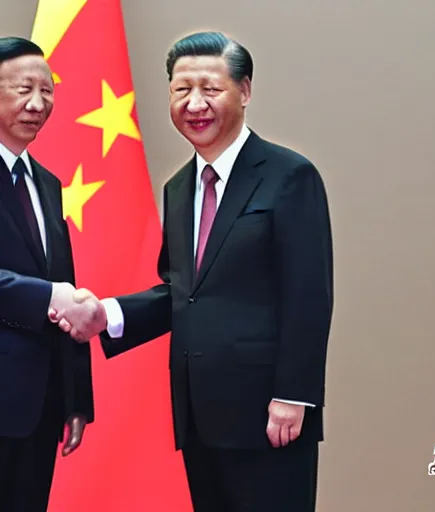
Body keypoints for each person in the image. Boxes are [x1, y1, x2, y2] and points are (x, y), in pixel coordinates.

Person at [56, 31, 333, 512]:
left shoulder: (289, 175)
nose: (194, 103)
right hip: (199, 413)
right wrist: (107, 315)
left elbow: (308, 293)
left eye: (210, 88)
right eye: (181, 90)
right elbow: (184, 292)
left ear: (244, 91)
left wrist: (294, 395)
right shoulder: (180, 187)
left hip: (269, 413)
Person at [0, 36, 106, 512]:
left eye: (48, 92)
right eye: (24, 89)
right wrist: (45, 297)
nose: (38, 104)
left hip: (36, 405)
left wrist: (74, 396)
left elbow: (66, 282)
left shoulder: (47, 183)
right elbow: (54, 295)